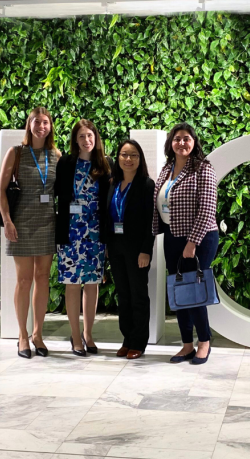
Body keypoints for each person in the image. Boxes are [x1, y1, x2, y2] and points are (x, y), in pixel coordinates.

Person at [153, 122, 218, 365]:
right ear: (171, 142)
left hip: (199, 238)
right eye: (177, 138)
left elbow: (207, 209)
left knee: (193, 290)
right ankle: (186, 345)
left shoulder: (203, 168)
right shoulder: (166, 169)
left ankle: (204, 342)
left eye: (186, 138)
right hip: (172, 236)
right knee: (178, 289)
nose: (182, 142)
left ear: (194, 142)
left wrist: (192, 242)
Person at [0, 107, 59, 359]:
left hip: (47, 223)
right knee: (24, 280)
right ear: (29, 125)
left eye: (45, 122)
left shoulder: (56, 154)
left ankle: (37, 334)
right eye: (36, 122)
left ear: (50, 126)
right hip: (20, 223)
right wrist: (7, 220)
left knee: (42, 277)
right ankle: (22, 336)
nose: (41, 126)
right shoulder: (16, 153)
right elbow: (1, 190)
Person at [54, 119, 111, 357]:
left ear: (95, 138)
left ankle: (88, 334)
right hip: (70, 231)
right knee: (72, 283)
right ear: (75, 141)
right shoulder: (67, 162)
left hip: (95, 233)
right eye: (81, 137)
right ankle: (75, 336)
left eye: (90, 136)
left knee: (92, 283)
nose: (86, 140)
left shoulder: (106, 164)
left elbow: (109, 202)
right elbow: (57, 192)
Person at [103, 139, 156, 360]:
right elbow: (106, 216)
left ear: (140, 159)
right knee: (123, 296)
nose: (128, 159)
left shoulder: (146, 184)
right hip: (115, 247)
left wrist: (146, 250)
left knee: (138, 296)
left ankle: (139, 342)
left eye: (133, 155)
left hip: (137, 250)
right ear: (118, 158)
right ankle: (127, 339)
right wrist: (106, 246)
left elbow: (150, 222)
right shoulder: (113, 183)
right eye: (124, 154)